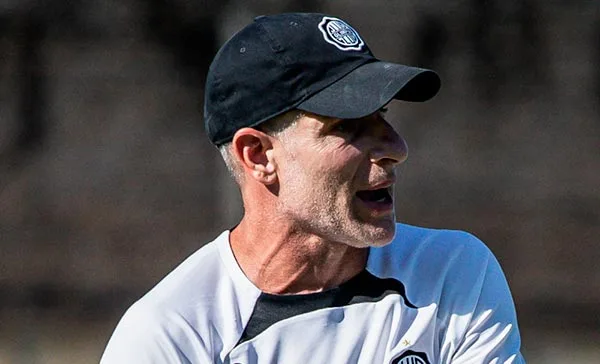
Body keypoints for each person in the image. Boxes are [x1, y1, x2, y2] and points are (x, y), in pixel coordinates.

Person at [100, 13, 524, 364]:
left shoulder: (452, 276)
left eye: (383, 115)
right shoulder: (170, 338)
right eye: (349, 126)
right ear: (259, 156)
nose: (396, 147)